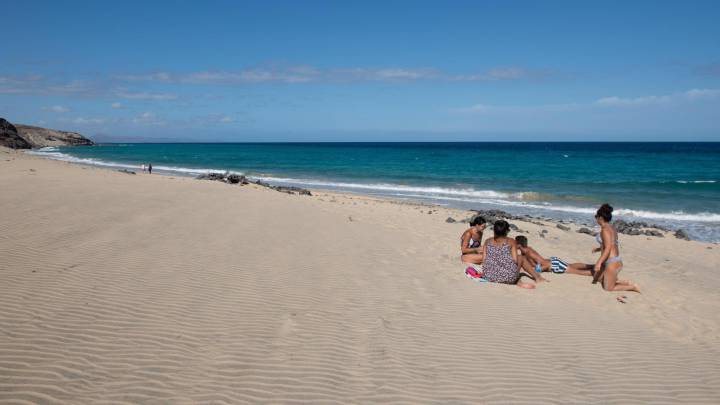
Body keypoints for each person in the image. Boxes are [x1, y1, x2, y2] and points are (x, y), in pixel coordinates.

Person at [479, 220, 546, 288]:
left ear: (494, 230)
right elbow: (515, 260)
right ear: (506, 231)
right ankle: (538, 278)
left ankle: (518, 281)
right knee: (521, 258)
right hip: (508, 278)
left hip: (488, 276)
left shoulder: (487, 241)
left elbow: (484, 260)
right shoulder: (511, 241)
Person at [590, 204, 640, 293]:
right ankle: (626, 282)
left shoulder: (604, 230)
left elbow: (608, 248)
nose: (595, 219)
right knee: (599, 279)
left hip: (612, 263)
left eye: (596, 217)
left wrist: (599, 262)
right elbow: (612, 244)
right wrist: (598, 249)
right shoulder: (611, 228)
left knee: (608, 288)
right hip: (617, 260)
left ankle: (632, 287)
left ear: (600, 218)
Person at [515, 235, 592, 276]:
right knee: (571, 265)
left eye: (515, 243)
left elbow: (545, 265)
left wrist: (536, 270)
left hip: (553, 265)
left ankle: (596, 273)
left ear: (519, 245)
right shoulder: (525, 250)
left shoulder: (530, 253)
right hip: (553, 262)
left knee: (578, 272)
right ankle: (592, 266)